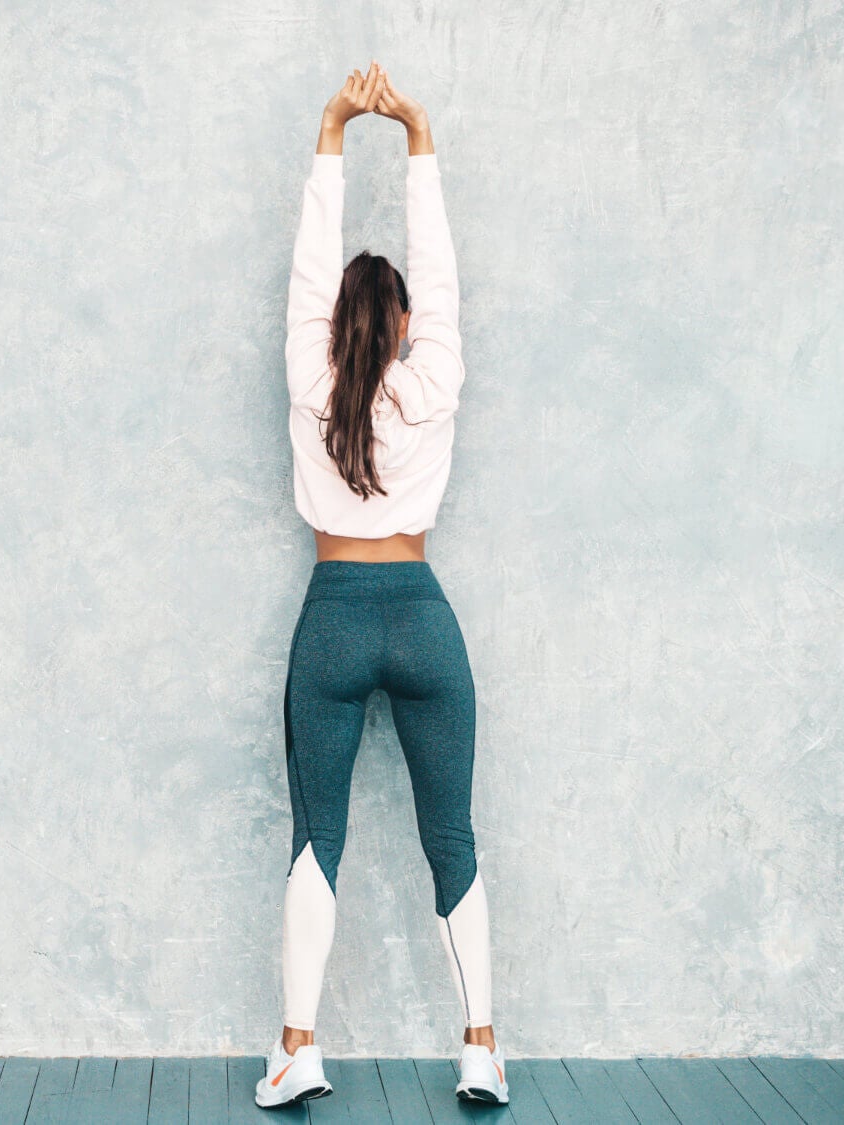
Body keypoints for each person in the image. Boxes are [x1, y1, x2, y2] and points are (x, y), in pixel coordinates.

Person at [254, 61, 509, 1109]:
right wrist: (414, 135)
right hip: (422, 616)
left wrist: (329, 127)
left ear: (337, 329)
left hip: (334, 621)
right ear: (404, 327)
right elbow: (437, 272)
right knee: (451, 835)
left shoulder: (311, 378)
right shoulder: (435, 375)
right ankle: (482, 1048)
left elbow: (313, 271)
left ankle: (297, 1049)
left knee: (320, 836)